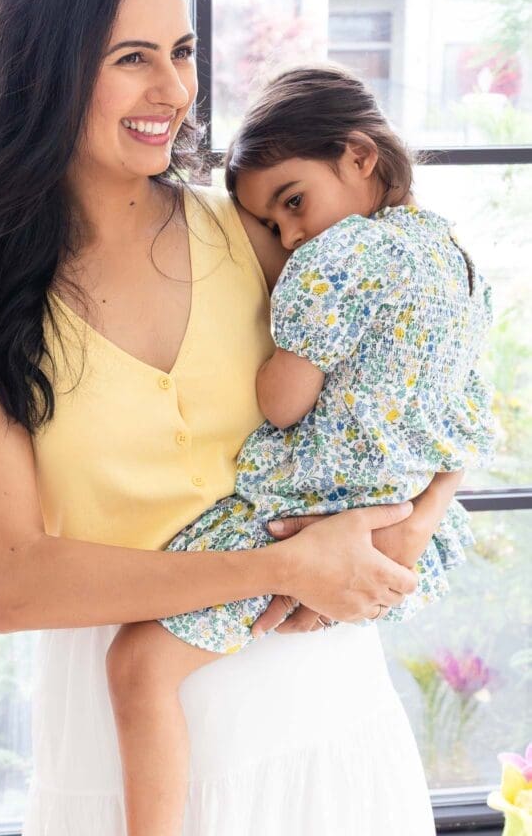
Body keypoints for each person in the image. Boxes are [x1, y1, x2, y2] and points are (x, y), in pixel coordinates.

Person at [0, 0, 460, 836]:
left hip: (322, 720)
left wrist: (425, 515)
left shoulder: (259, 234)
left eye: (182, 50)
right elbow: (14, 586)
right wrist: (284, 562)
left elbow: (424, 374)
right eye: (132, 56)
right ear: (50, 69)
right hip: (122, 766)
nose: (172, 89)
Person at [105, 64, 494, 835]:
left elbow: (283, 402)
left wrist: (267, 347)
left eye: (292, 203)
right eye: (274, 226)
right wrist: (419, 517)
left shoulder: (333, 261)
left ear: (358, 155)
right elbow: (469, 408)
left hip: (311, 506)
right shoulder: (455, 255)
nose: (291, 238)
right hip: (405, 520)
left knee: (137, 665)